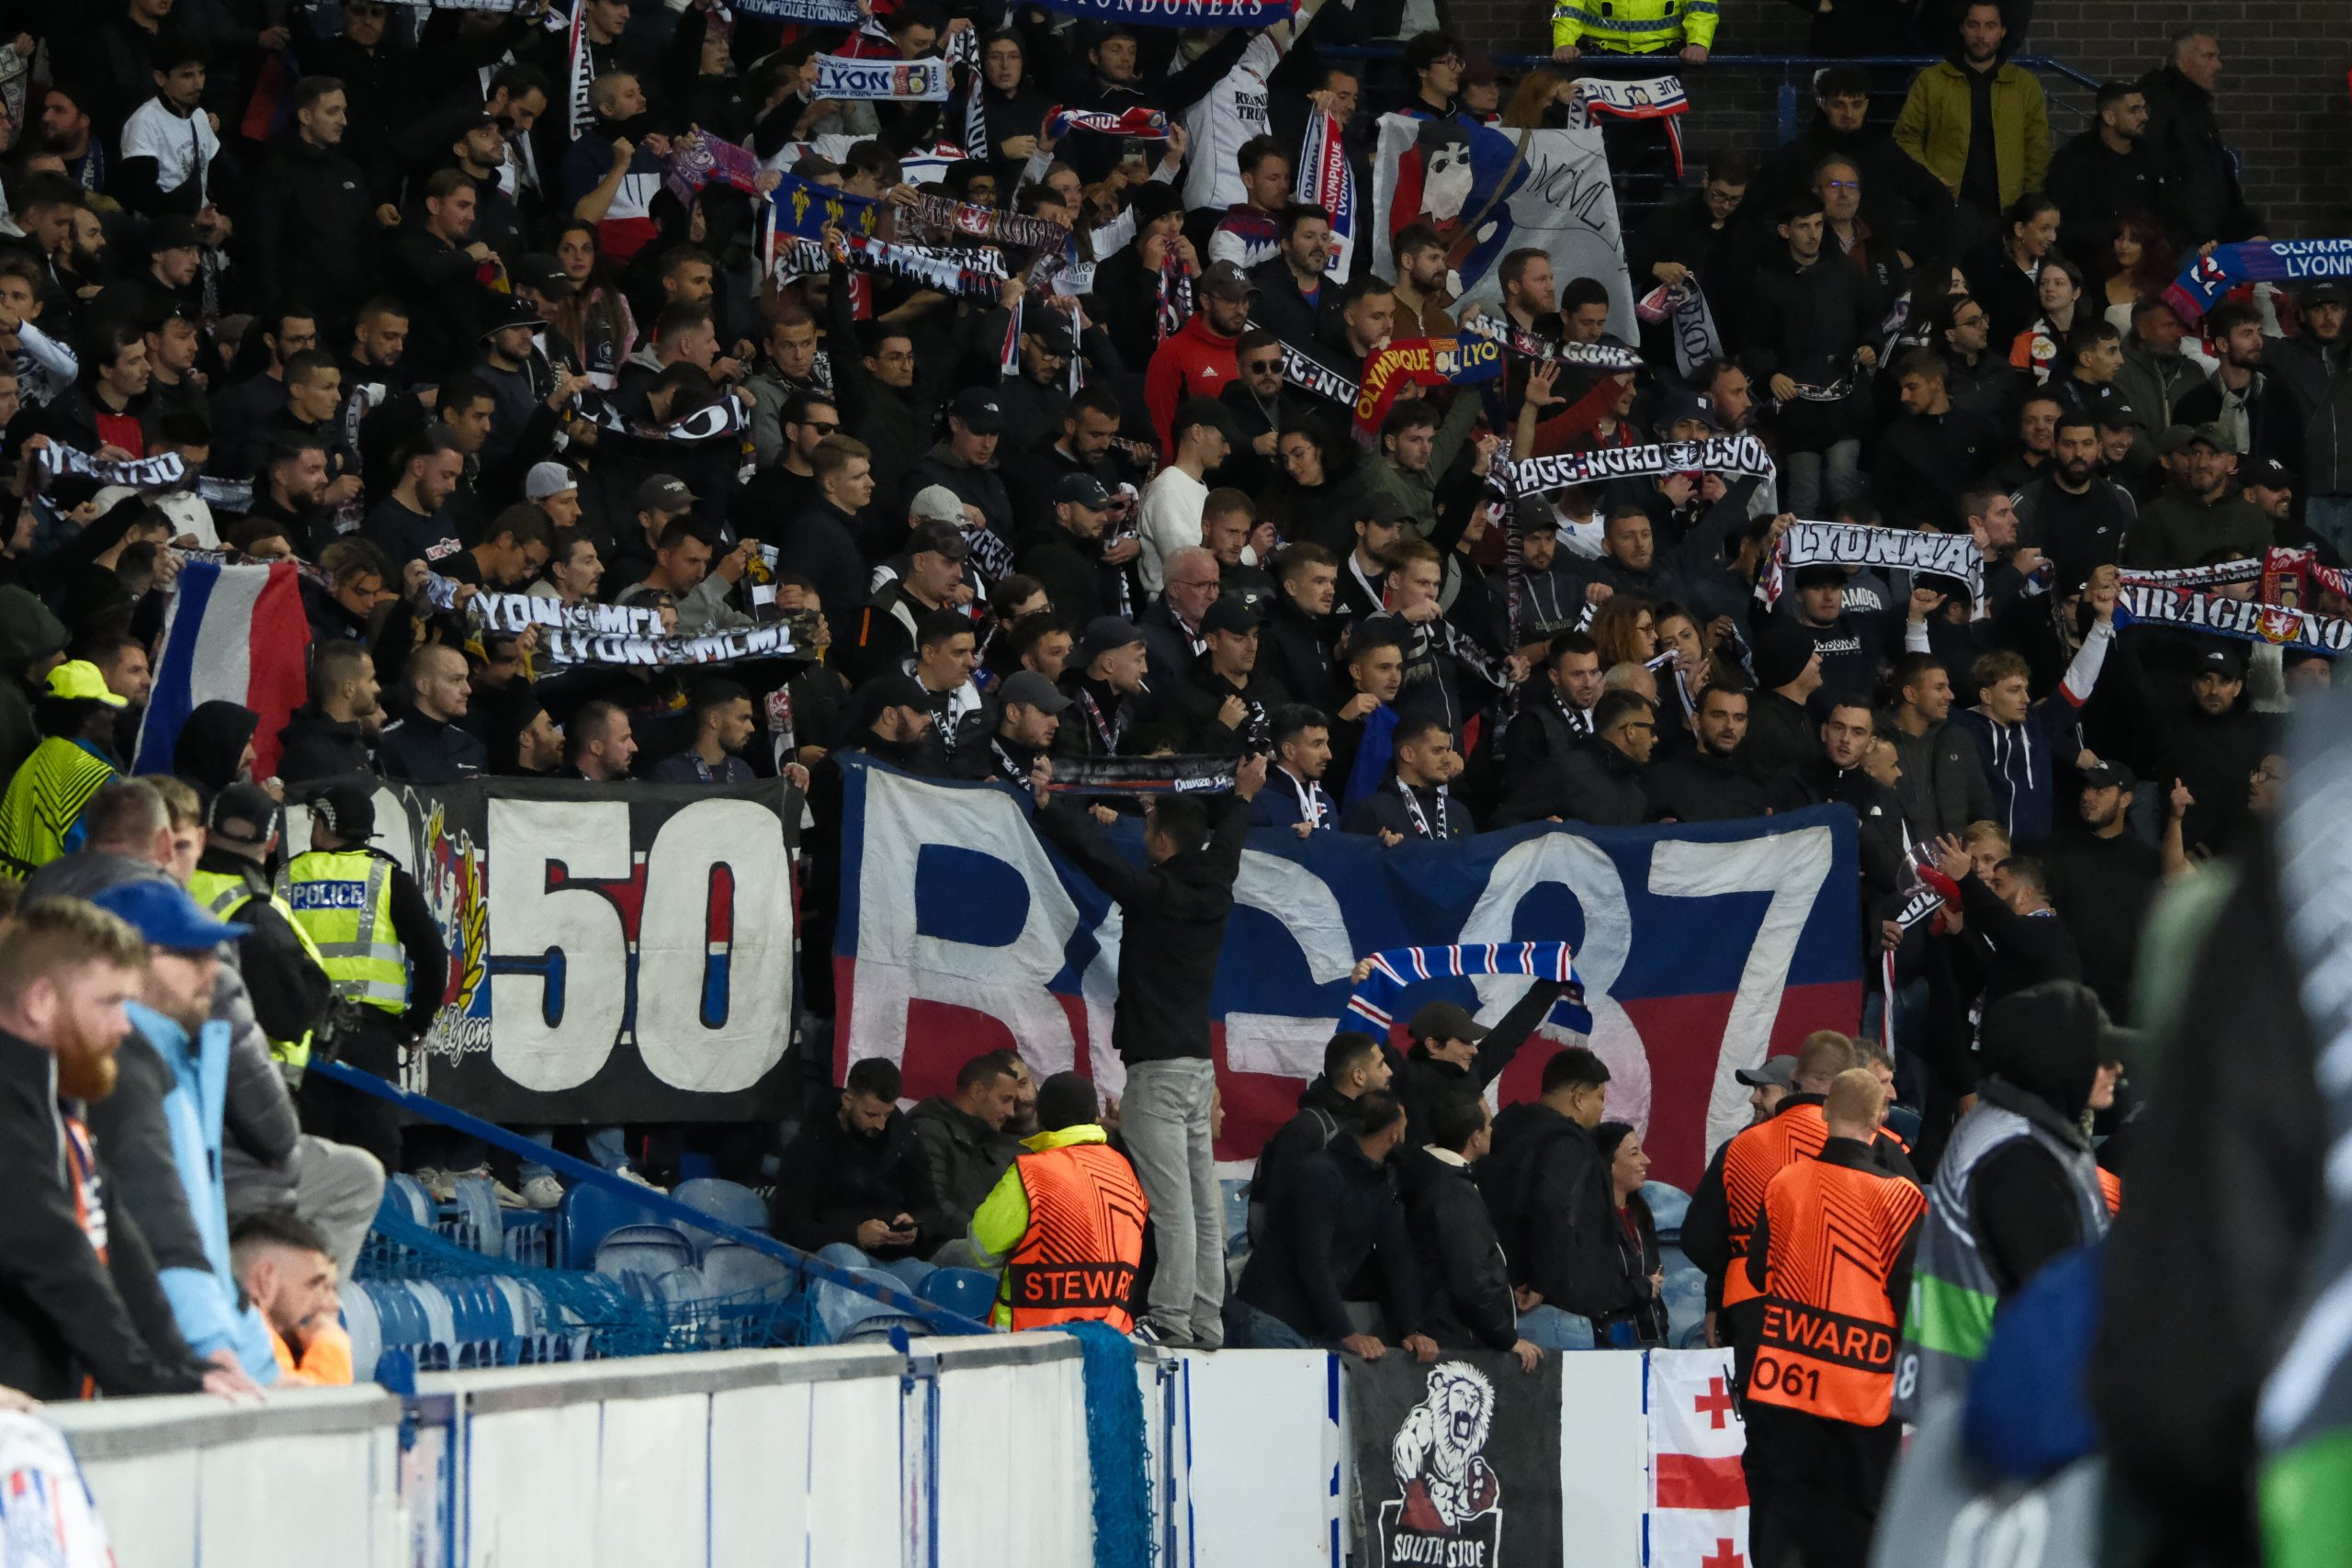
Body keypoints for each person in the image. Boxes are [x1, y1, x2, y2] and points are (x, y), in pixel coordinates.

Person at [1032, 756, 1269, 1348]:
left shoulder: (1153, 891)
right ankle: (1207, 1320)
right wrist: (1243, 797)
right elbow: (1228, 845)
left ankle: (1168, 1318)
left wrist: (1051, 807)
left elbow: (1097, 859)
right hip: (1196, 1067)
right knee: (1203, 1204)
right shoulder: (1216, 881)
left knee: (1172, 1206)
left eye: (1148, 832)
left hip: (1156, 1070)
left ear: (1162, 842)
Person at [0, 897, 226, 1401]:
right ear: (41, 1001)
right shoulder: (11, 1107)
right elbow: (55, 1256)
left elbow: (121, 1250)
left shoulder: (57, 1105)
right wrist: (146, 1377)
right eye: (110, 1002)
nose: (125, 1025)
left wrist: (184, 1367)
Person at [82, 879, 282, 1384]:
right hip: (152, 1362)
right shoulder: (122, 1065)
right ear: (128, 962)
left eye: (212, 954)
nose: (212, 970)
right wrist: (209, 1349)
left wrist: (260, 1366)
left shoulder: (175, 1056)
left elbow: (202, 1235)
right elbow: (157, 1216)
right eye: (190, 955)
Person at [1894, 980, 2120, 1421]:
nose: (2117, 1068)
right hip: (2004, 1408)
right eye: (2102, 1057)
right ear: (2060, 1061)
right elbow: (2057, 1304)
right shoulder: (2020, 1157)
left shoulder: (2008, 1129)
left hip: (1976, 1398)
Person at [1742, 1069, 1925, 1568]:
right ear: (1880, 1117)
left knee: (1784, 1518)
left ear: (1823, 1111)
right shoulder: (1900, 1197)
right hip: (1863, 1390)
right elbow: (1911, 1299)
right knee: (1860, 1528)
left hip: (1785, 1379)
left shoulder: (1784, 1183)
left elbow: (1758, 1271)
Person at [275, 782, 447, 1172]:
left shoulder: (286, 877)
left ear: (324, 825)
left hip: (303, 1035)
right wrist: (415, 1023)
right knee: (373, 1151)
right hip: (370, 1036)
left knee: (307, 1151)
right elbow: (433, 958)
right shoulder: (387, 879)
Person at [1227, 1090, 1438, 1361]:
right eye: (1405, 1128)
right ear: (1394, 1133)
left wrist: (1413, 1329)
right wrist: (1346, 1332)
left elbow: (1397, 1255)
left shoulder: (1381, 1180)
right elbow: (1312, 1259)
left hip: (1313, 1326)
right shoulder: (1320, 1172)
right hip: (1272, 1317)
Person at [966, 1072, 1149, 1333]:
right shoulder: (1125, 1170)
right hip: (1109, 1340)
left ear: (1040, 1117)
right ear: (1094, 1115)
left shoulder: (1031, 1173)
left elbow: (982, 1247)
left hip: (1030, 1341)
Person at [1478, 1045, 1620, 1351]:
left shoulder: (1502, 1131)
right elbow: (1553, 1208)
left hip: (1503, 1302)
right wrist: (1542, 1281)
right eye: (1600, 1097)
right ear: (1579, 1098)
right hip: (1553, 1311)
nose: (1602, 1108)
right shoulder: (1566, 1142)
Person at [1401, 1097, 1544, 1371]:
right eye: (1488, 1124)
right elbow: (1470, 1278)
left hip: (1447, 1330)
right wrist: (1505, 1337)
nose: (1492, 1129)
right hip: (1457, 1340)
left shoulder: (1434, 1175)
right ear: (1475, 1137)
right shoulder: (1454, 1192)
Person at [1892, 2, 2052, 232]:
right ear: (1962, 28)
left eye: (1990, 26)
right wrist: (1934, 180)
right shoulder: (1931, 81)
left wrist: (2027, 207)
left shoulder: (2025, 86)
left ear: (2003, 31)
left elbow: (2037, 150)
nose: (1981, 35)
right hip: (1946, 210)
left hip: (2005, 212)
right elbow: (1905, 137)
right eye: (1973, 25)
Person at [770, 1057, 931, 1262]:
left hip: (894, 1255)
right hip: (832, 1252)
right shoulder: (808, 1147)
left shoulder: (903, 1138)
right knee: (849, 1260)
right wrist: (854, 1235)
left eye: (887, 1114)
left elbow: (929, 1205)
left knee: (926, 1271)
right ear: (847, 1101)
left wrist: (915, 1226)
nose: (881, 1125)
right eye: (871, 1115)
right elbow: (789, 1224)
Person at [1249, 1031, 1393, 1246]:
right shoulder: (1306, 1129)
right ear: (1359, 1076)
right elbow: (1281, 1210)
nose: (1389, 1071)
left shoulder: (1363, 1123)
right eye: (1380, 1065)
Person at [0, 662, 129, 876]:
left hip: (16, 890)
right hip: (62, 892)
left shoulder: (33, 760)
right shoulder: (96, 777)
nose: (113, 716)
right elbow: (99, 861)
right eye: (106, 708)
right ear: (87, 717)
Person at [906, 1050, 1024, 1249]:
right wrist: (985, 1234)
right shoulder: (929, 1130)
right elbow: (932, 1204)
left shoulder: (996, 1140)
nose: (1011, 1112)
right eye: (1005, 1100)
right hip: (939, 1249)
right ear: (976, 1092)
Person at [230, 1210, 350, 1386]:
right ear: (264, 1281)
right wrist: (331, 1346)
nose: (334, 1304)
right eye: (315, 1285)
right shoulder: (246, 1334)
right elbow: (301, 1403)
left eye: (332, 1289)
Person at [1589, 1122, 1669, 1348]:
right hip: (1608, 1344)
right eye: (1634, 1153)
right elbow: (1593, 1288)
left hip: (1649, 1338)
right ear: (1609, 1163)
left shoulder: (1640, 1214)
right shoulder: (1591, 1219)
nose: (1646, 1160)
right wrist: (1642, 1287)